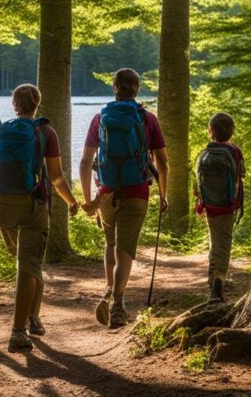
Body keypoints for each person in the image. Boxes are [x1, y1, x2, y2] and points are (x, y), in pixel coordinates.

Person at [0, 84, 80, 352]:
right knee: (28, 267)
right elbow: (57, 177)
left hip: (3, 207)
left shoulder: (4, 129)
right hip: (32, 206)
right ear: (38, 103)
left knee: (30, 264)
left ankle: (34, 318)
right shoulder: (46, 132)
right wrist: (71, 201)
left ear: (15, 104)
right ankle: (18, 331)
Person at [79, 68, 169, 329]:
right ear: (137, 88)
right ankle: (118, 303)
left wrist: (88, 199)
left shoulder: (100, 118)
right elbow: (162, 162)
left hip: (106, 191)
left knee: (111, 243)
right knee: (125, 248)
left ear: (114, 86)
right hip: (138, 190)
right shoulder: (147, 118)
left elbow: (85, 162)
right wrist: (164, 194)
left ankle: (109, 289)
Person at [193, 112, 245, 304]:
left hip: (210, 206)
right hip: (227, 206)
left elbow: (198, 182)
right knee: (223, 245)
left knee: (215, 242)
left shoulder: (205, 153)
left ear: (210, 132)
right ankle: (217, 287)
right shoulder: (234, 151)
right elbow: (240, 177)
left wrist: (200, 204)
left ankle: (212, 282)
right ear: (231, 132)